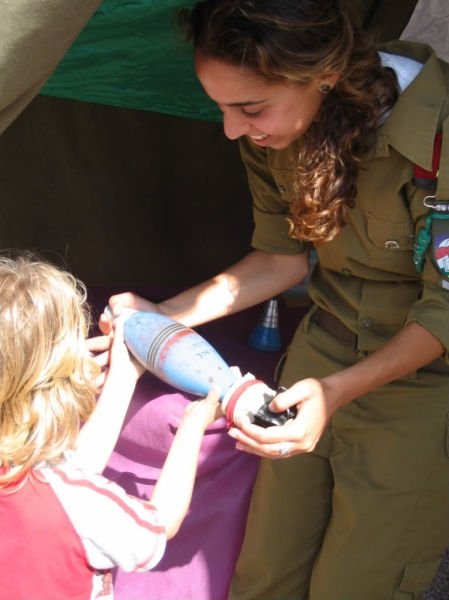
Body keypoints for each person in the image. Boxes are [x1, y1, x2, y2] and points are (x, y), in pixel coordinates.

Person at [99, 0, 449, 598]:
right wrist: (156, 320)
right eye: (222, 108)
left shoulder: (437, 135)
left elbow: (445, 309)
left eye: (250, 108)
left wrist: (337, 393)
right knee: (266, 571)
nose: (234, 128)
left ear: (324, 75)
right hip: (318, 357)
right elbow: (280, 260)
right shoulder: (273, 132)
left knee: (359, 582)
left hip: (421, 389)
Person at [0, 252, 221, 600]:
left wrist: (124, 376)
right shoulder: (77, 502)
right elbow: (159, 524)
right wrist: (193, 425)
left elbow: (67, 473)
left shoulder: (34, 479)